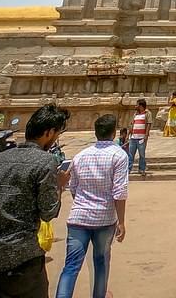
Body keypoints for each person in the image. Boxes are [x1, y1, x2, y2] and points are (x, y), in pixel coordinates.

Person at [0, 103, 71, 298]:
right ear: (48, 133)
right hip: (21, 263)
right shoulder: (45, 162)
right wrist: (59, 185)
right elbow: (48, 212)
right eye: (56, 134)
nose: (56, 139)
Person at [55, 114, 128, 298]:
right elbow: (119, 192)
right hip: (104, 218)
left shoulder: (80, 156)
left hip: (78, 217)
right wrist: (121, 222)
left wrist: (82, 202)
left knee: (71, 266)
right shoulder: (119, 155)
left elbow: (73, 187)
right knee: (101, 262)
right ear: (114, 133)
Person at [126, 99, 150, 176]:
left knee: (142, 154)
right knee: (130, 154)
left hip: (141, 138)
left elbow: (149, 124)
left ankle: (142, 169)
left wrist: (146, 135)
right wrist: (128, 134)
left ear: (140, 106)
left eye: (137, 105)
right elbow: (132, 125)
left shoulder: (147, 113)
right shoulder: (135, 114)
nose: (135, 106)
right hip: (133, 137)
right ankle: (128, 169)